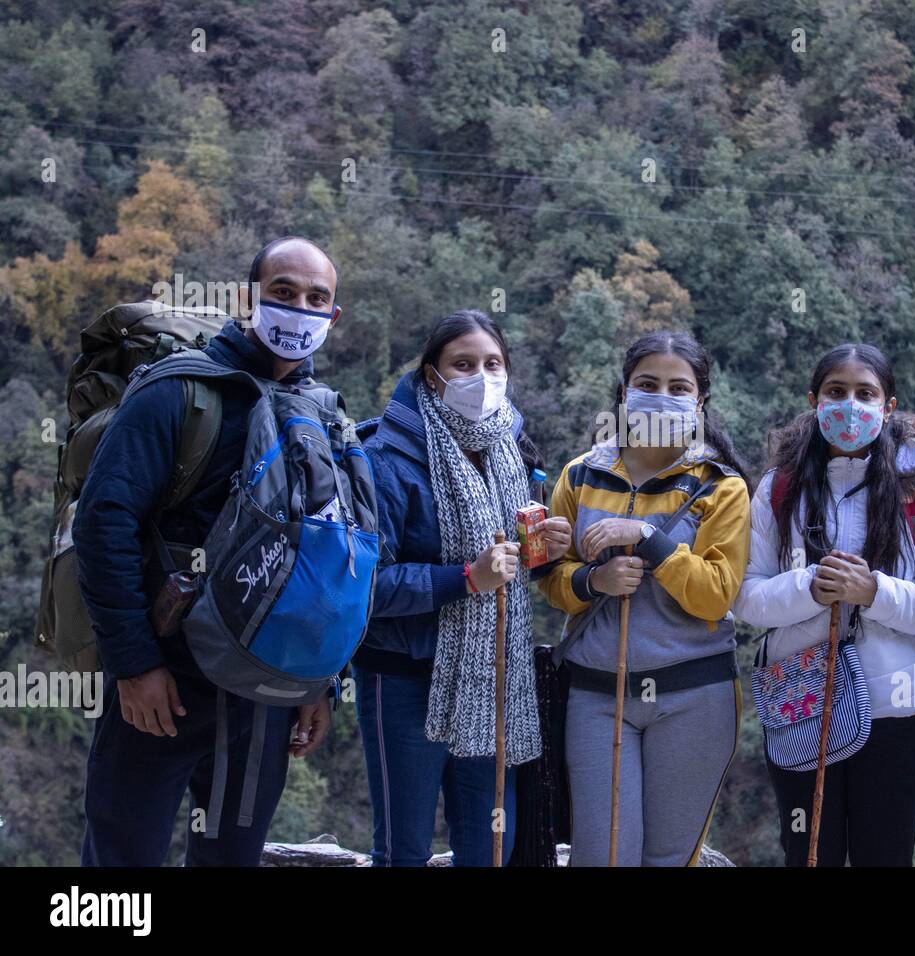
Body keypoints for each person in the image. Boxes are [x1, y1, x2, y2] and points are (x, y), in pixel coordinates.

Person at [76, 236, 342, 866]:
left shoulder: (321, 414)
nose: (299, 309)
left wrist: (321, 680)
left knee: (231, 860)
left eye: (316, 299)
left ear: (334, 317)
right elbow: (102, 525)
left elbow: (328, 560)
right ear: (250, 298)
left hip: (265, 694)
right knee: (121, 867)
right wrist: (134, 666)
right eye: (283, 293)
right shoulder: (179, 392)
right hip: (163, 682)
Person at [733, 343, 915, 866]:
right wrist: (808, 588)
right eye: (836, 393)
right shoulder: (780, 488)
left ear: (888, 407)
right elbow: (746, 597)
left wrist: (875, 593)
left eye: (866, 394)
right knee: (809, 852)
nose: (850, 406)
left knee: (884, 856)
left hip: (901, 709)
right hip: (802, 699)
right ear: (813, 401)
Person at [353, 309, 572, 866]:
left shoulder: (513, 449)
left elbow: (518, 564)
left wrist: (547, 547)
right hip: (403, 675)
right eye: (463, 364)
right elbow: (364, 586)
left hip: (492, 678)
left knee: (489, 845)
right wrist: (467, 579)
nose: (480, 376)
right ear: (433, 375)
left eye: (492, 364)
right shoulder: (385, 456)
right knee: (402, 848)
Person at [538, 331, 751, 866]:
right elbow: (552, 580)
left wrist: (649, 541)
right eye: (647, 384)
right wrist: (593, 583)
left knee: (669, 858)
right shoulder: (581, 474)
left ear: (700, 401)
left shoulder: (720, 486)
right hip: (595, 691)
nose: (661, 395)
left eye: (678, 387)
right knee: (601, 854)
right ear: (625, 391)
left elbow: (716, 595)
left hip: (693, 692)